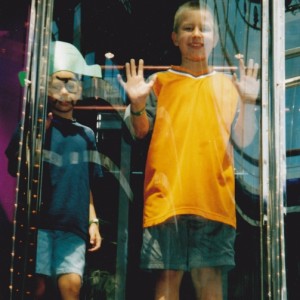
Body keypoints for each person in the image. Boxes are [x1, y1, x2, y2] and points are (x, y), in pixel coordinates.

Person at [119, 1, 260, 299]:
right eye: (188, 28)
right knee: (166, 285)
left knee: (210, 286)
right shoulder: (159, 82)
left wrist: (248, 102)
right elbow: (140, 131)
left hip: (215, 200)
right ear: (175, 37)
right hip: (165, 200)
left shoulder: (228, 85)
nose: (196, 34)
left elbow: (245, 140)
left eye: (204, 28)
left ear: (215, 38)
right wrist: (138, 105)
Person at [5, 41, 103, 300]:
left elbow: (87, 183)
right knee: (36, 287)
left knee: (71, 288)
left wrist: (93, 221)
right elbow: (15, 167)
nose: (64, 90)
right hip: (41, 224)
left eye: (70, 83)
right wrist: (38, 136)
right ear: (46, 87)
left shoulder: (87, 135)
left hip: (74, 225)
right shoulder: (34, 125)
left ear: (79, 89)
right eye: (57, 82)